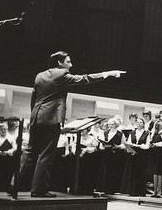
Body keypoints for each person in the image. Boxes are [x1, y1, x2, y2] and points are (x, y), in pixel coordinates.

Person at [24, 51, 124, 197]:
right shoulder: (62, 74)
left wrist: (34, 114)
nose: (71, 65)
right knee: (45, 155)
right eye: (68, 62)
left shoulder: (39, 75)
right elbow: (85, 78)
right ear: (59, 62)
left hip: (36, 117)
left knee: (30, 151)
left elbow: (34, 97)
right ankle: (38, 189)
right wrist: (107, 73)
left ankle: (15, 185)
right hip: (51, 118)